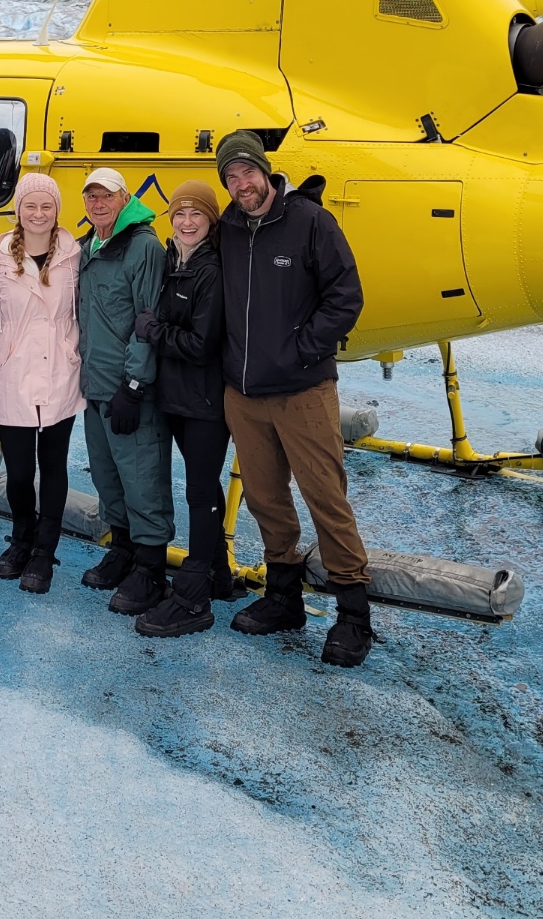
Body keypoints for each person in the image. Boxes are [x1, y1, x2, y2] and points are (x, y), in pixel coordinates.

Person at [214, 129, 377, 668]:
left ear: (265, 171)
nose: (242, 186)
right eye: (231, 179)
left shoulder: (310, 222)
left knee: (325, 497)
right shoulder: (229, 230)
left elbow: (345, 295)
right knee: (265, 497)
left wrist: (303, 350)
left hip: (304, 390)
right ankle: (284, 596)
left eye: (247, 173)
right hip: (244, 393)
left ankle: (354, 613)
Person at [130, 179, 235, 638]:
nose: (187, 222)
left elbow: (200, 344)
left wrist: (152, 330)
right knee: (204, 485)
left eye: (196, 214)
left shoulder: (210, 270)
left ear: (210, 221)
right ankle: (219, 576)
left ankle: (193, 594)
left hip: (204, 400)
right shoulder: (176, 261)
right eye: (179, 214)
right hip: (178, 396)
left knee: (197, 492)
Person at [75, 167, 171, 616]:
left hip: (127, 388)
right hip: (95, 386)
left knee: (141, 477)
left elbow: (148, 321)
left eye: (106, 196)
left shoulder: (142, 247)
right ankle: (124, 549)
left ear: (124, 197)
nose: (98, 204)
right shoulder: (89, 248)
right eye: (91, 197)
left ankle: (151, 567)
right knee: (106, 475)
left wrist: (134, 385)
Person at [0, 172, 84, 593]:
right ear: (19, 211)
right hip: (13, 373)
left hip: (60, 371)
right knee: (21, 471)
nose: (39, 214)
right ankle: (21, 538)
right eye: (31, 206)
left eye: (46, 206)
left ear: (56, 210)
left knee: (54, 467)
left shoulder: (73, 255)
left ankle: (44, 550)